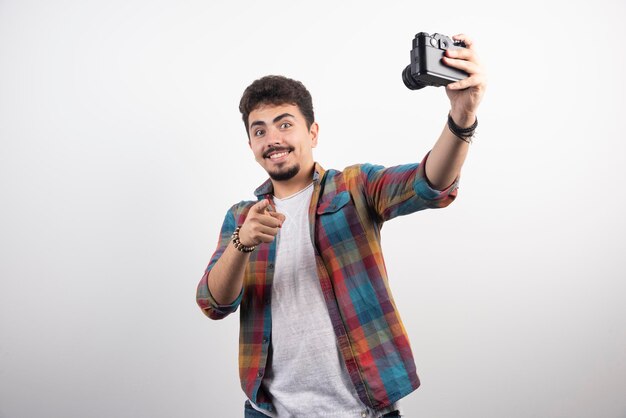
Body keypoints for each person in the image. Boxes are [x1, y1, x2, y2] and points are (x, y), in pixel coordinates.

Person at [196, 34, 486, 418]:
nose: (273, 139)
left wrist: (462, 118)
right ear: (250, 144)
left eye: (285, 124)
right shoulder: (241, 218)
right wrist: (241, 243)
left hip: (363, 409)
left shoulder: (355, 187)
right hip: (268, 411)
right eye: (260, 130)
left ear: (312, 133)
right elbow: (213, 303)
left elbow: (429, 184)